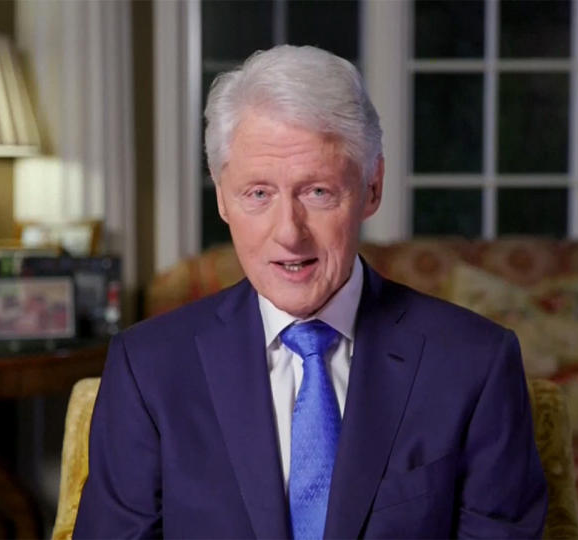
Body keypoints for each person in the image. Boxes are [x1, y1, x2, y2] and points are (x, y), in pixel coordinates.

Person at [74, 45, 546, 538]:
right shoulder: (147, 367)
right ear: (221, 198)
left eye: (317, 192)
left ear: (372, 188)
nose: (289, 233)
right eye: (258, 194)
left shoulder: (475, 363)